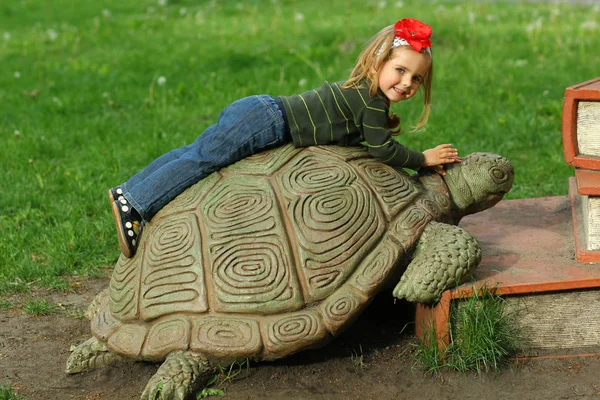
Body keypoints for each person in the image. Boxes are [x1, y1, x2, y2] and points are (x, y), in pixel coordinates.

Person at [108, 18, 461, 258]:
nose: (406, 83)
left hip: (261, 111)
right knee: (201, 159)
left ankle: (130, 190)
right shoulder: (370, 101)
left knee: (195, 152)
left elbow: (354, 138)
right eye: (400, 70)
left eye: (416, 79)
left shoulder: (365, 94)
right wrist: (423, 159)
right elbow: (382, 149)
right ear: (376, 63)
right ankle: (135, 204)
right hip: (266, 122)